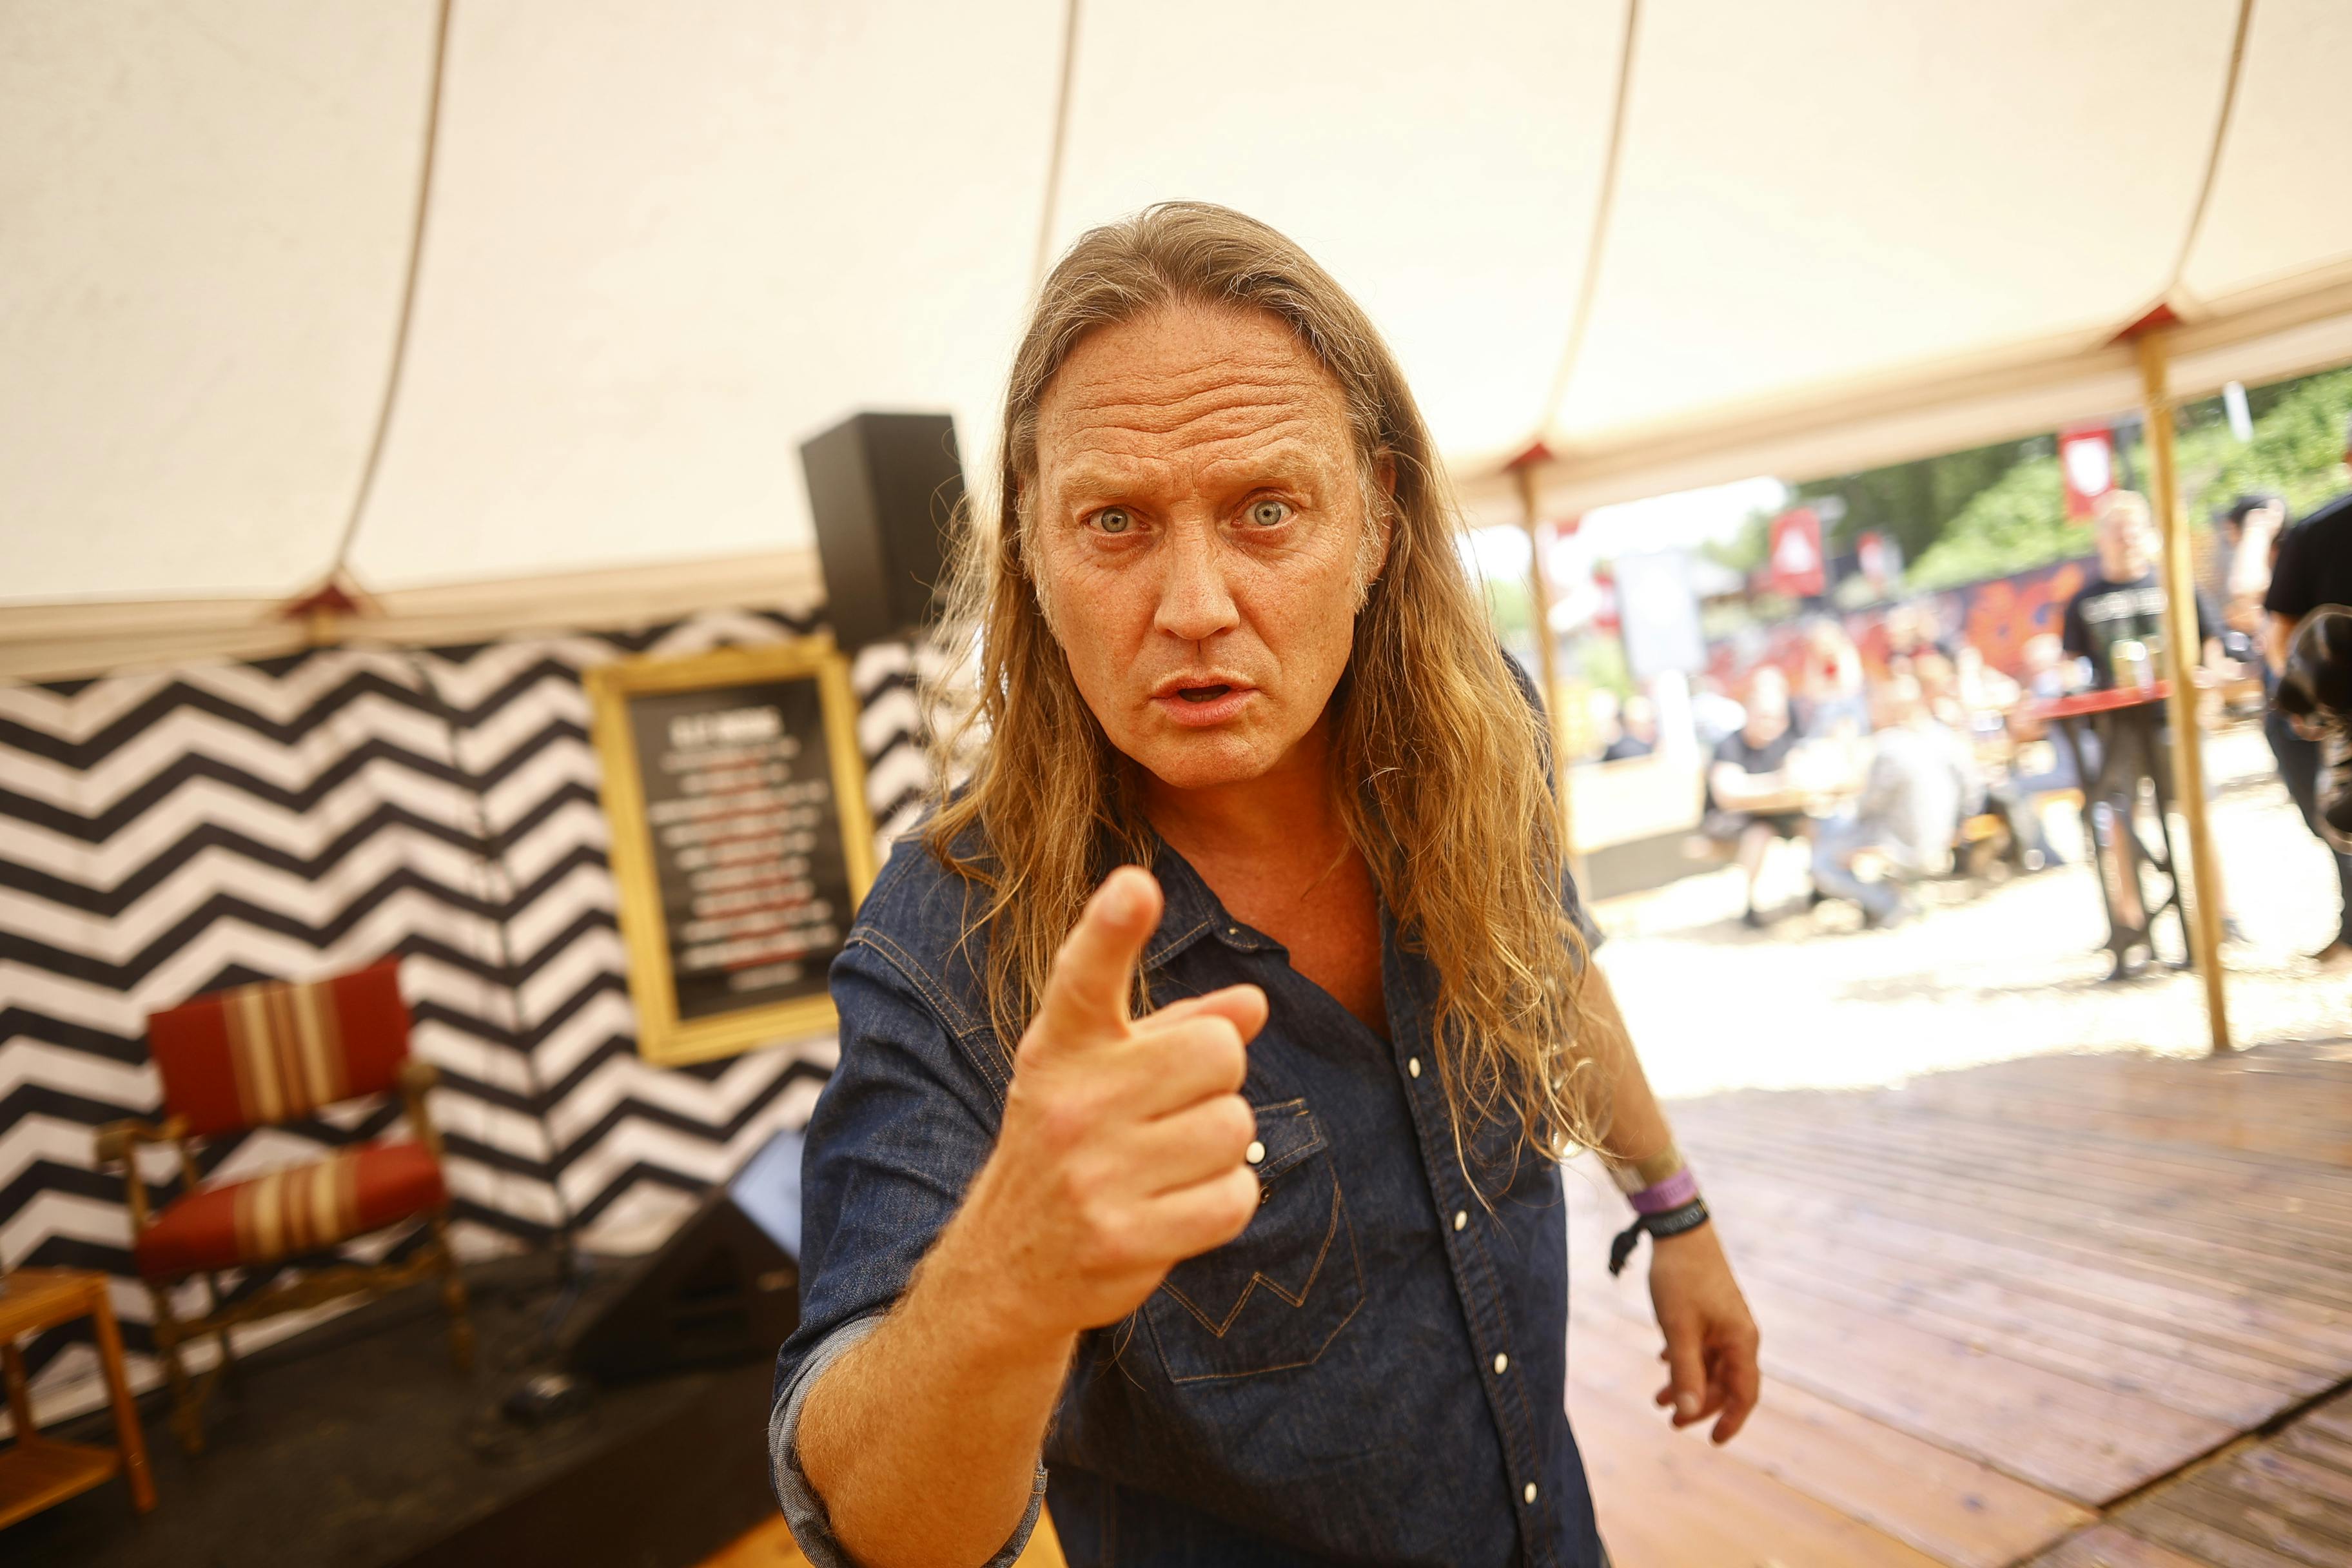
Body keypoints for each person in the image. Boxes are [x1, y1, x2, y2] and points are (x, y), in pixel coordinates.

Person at [768, 204, 1758, 1568]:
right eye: (1114, 521)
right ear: (1035, 559)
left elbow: (1554, 956)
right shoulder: (954, 938)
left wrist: (1674, 1213)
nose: (1193, 604)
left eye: (1267, 510)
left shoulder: (1480, 732)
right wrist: (1006, 1277)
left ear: (1377, 517)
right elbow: (880, 1526)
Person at [2263, 419, 2352, 966]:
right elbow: (2282, 643)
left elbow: (2280, 643)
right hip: (2334, 723)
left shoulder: (2317, 530)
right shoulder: (2318, 532)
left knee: (2341, 831)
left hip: (2334, 723)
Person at [1811, 675, 1977, 928]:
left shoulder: (1890, 747)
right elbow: (1970, 786)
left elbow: (1865, 808)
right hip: (1943, 835)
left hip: (1910, 844)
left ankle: (1889, 904)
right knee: (1836, 830)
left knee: (1823, 858)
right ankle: (1886, 900)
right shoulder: (1936, 738)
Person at [1702, 664, 1812, 927]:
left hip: (1772, 813)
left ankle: (1820, 885)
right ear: (1749, 714)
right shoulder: (1730, 745)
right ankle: (1751, 904)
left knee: (1814, 825)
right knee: (1759, 834)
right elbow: (1728, 794)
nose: (1769, 723)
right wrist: (1775, 784)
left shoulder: (1783, 742)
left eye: (1775, 717)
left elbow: (1801, 772)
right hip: (1730, 819)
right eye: (1763, 716)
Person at [1602, 691, 1660, 760]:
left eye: (1652, 722)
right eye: (1647, 723)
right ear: (1632, 724)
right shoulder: (1631, 748)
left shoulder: (1649, 745)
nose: (1652, 727)